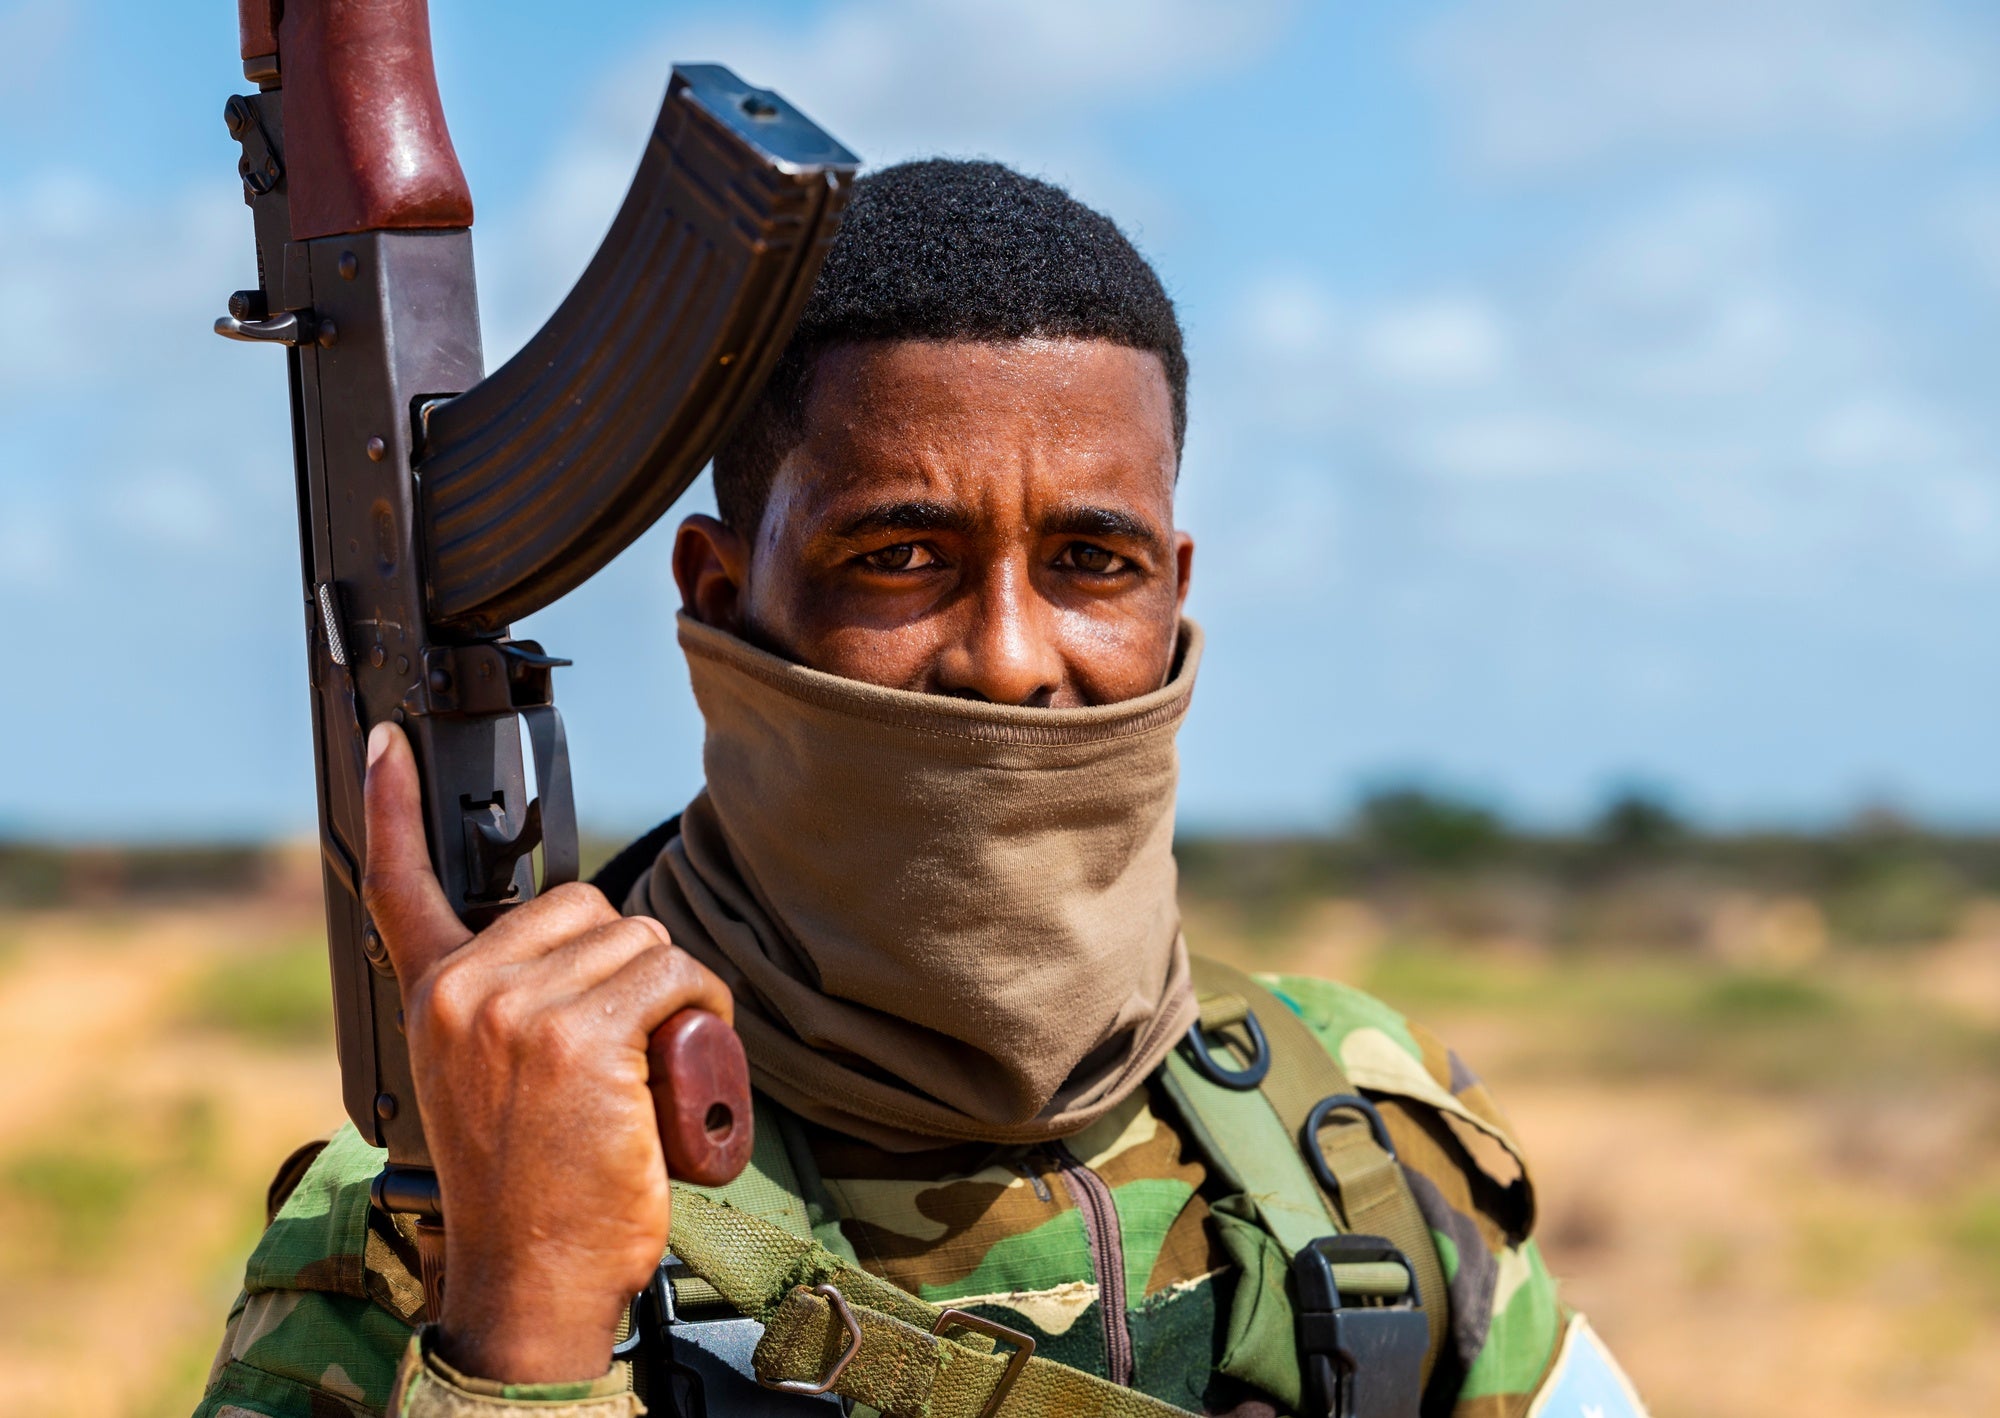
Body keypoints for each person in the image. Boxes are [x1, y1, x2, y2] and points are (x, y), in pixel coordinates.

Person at [194, 159, 1645, 1418]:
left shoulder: (1358, 1134)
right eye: (898, 557)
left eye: (1092, 563)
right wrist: (524, 1325)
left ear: (1172, 592)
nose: (1013, 660)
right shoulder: (458, 1186)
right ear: (718, 587)